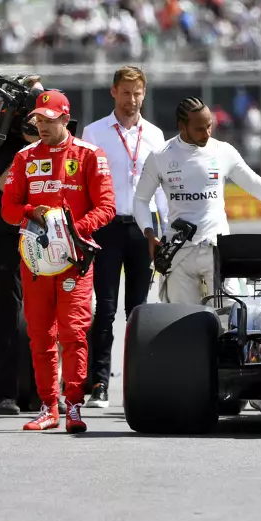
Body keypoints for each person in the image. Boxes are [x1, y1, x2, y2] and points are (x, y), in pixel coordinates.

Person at [132, 96, 261, 418]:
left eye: (209, 126)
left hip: (218, 252)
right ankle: (189, 393)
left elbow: (251, 181)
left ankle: (256, 392)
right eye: (199, 128)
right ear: (181, 127)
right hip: (177, 256)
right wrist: (149, 233)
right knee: (184, 327)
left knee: (234, 321)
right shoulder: (161, 156)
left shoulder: (223, 151)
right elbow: (140, 200)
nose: (206, 132)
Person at [1, 89, 116, 433]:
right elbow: (7, 209)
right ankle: (48, 406)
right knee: (39, 335)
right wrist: (28, 212)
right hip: (35, 262)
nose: (43, 127)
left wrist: (70, 230)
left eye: (50, 121)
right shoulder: (23, 158)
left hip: (74, 258)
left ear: (66, 119)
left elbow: (107, 207)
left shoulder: (90, 155)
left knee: (73, 332)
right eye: (39, 121)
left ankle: (74, 406)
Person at [80, 65, 168, 409]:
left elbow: (163, 187)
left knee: (138, 310)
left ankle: (139, 381)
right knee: (104, 308)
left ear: (144, 94)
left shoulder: (156, 136)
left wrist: (163, 229)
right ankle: (99, 383)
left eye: (138, 93)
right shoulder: (95, 132)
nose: (132, 100)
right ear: (114, 92)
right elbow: (84, 184)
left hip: (144, 229)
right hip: (105, 227)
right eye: (126, 93)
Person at [0, 74, 42, 416]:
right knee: (6, 314)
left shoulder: (55, 140)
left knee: (41, 314)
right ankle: (4, 394)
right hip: (3, 233)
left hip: (41, 232)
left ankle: (42, 391)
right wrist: (31, 148)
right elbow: (10, 187)